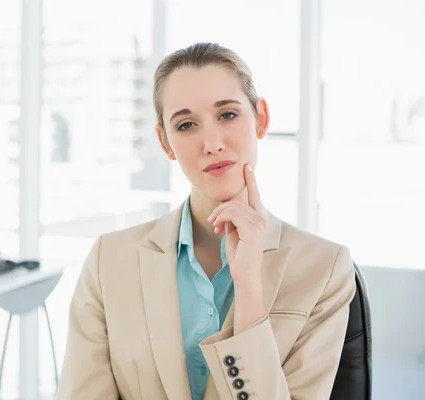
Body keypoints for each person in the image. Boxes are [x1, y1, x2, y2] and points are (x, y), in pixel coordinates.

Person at [56, 42, 355, 400]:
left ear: (261, 118)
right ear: (165, 143)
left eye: (227, 115)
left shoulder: (324, 269)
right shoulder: (110, 260)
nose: (211, 143)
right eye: (186, 125)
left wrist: (249, 292)